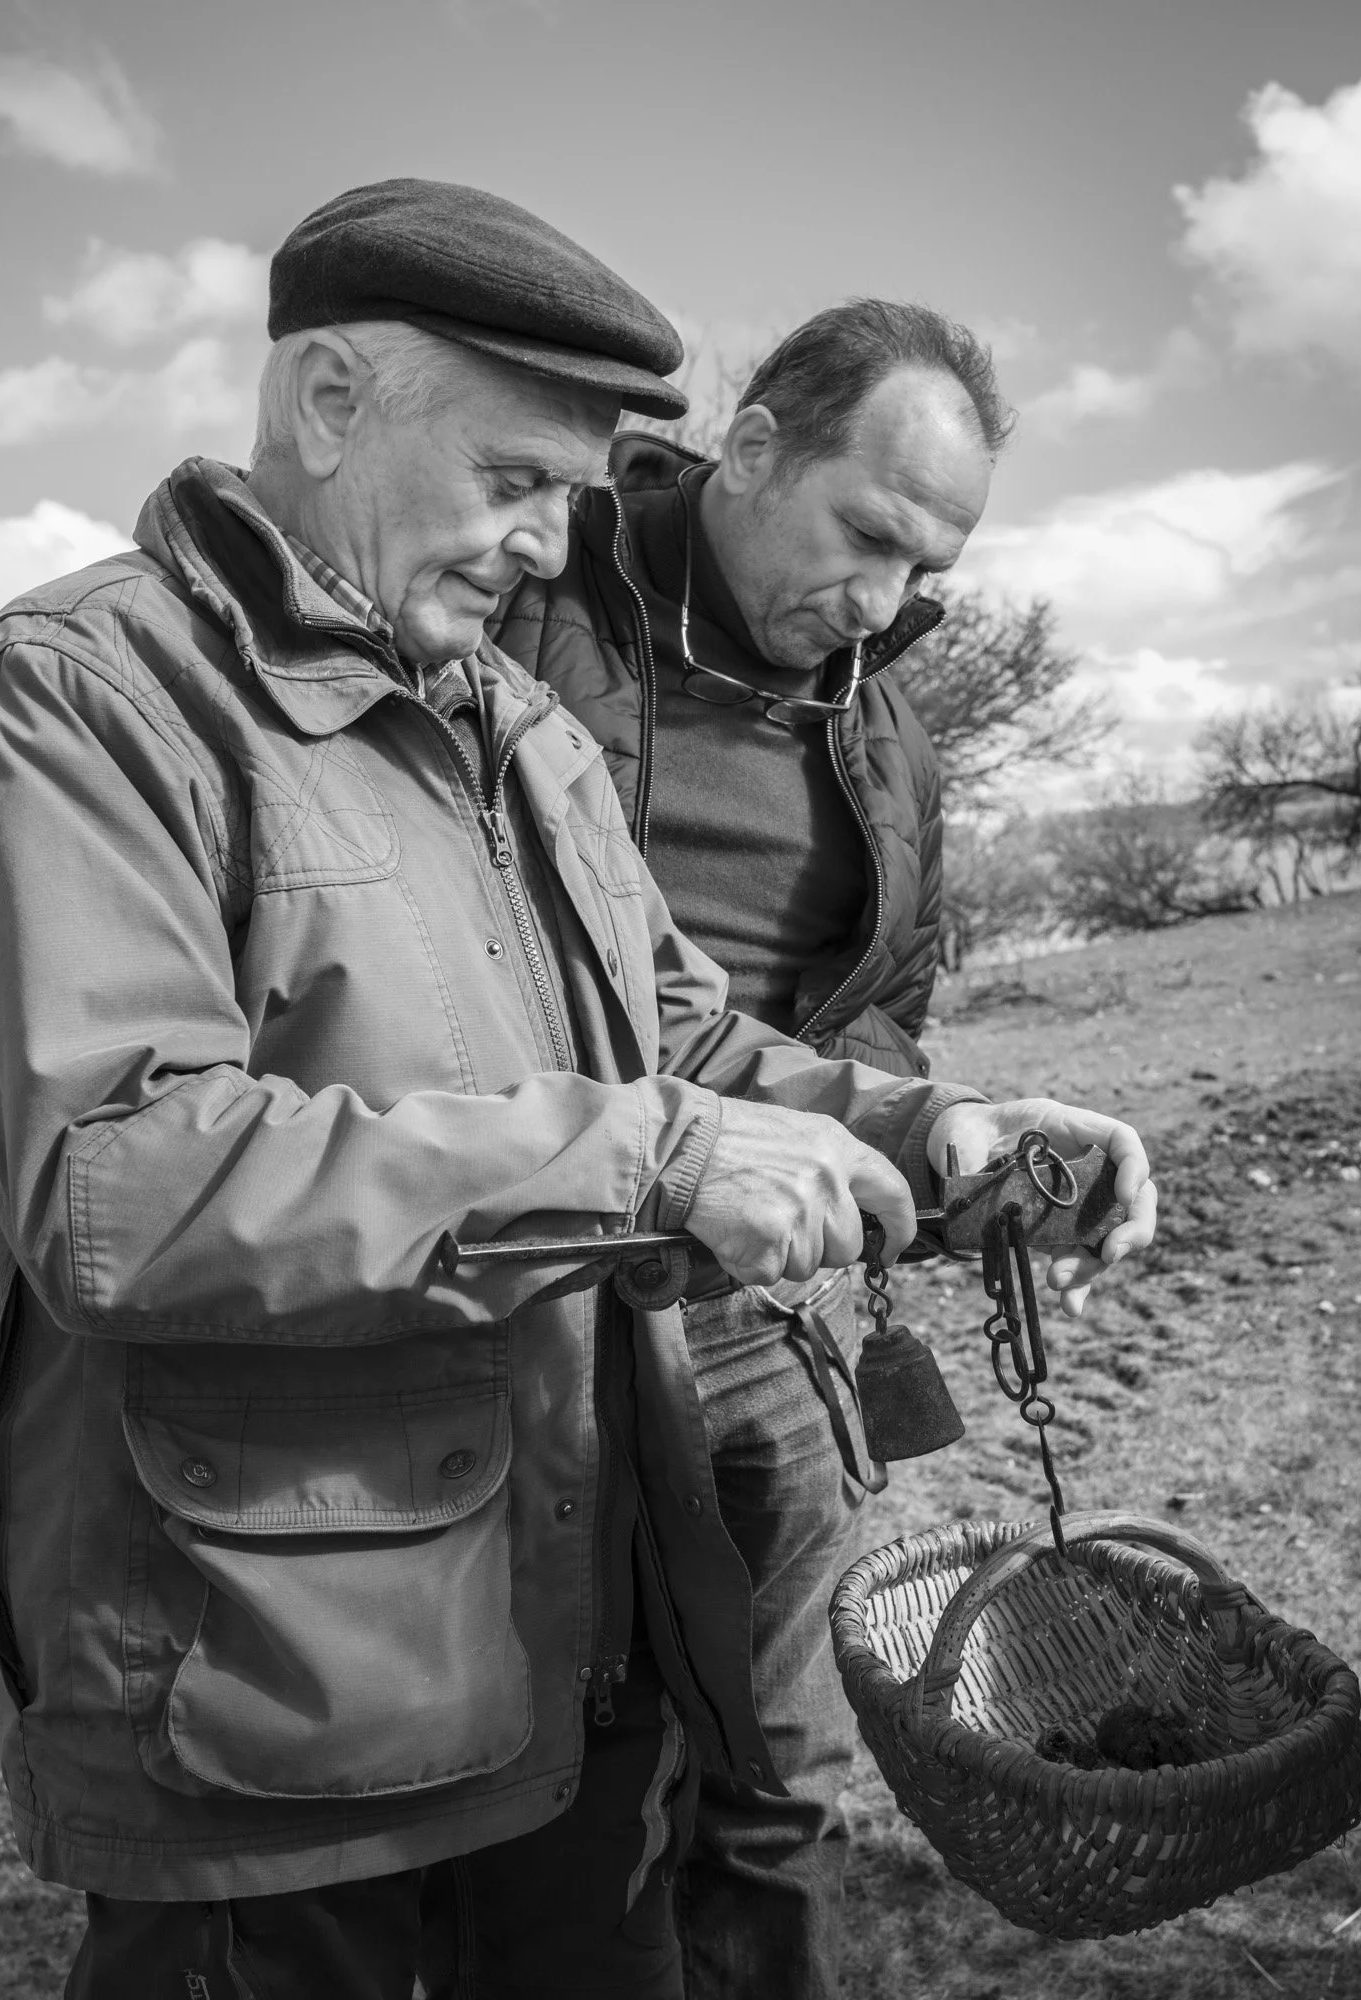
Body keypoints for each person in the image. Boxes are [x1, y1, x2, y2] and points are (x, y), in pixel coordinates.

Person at [0, 179, 1155, 2000]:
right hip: (274, 1708)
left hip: (563, 1637)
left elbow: (681, 1043)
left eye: (574, 492)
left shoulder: (521, 729)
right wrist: (649, 1162)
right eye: (512, 481)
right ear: (328, 403)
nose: (556, 547)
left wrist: (926, 1130)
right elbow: (120, 1185)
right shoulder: (77, 706)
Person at [492, 305, 1024, 1999]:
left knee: (778, 1777)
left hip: (775, 1313)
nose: (881, 603)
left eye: (925, 564)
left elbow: (885, 1000)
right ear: (757, 444)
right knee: (571, 1789)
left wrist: (911, 1155)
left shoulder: (886, 740)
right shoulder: (517, 605)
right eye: (867, 535)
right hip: (547, 1287)